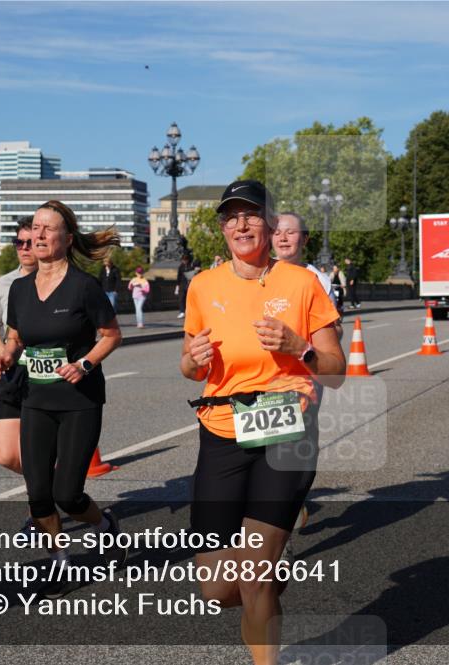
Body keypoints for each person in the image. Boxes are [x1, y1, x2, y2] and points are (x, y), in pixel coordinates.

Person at [181, 180, 345, 663]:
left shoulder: (301, 283)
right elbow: (191, 368)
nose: (241, 224)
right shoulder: (203, 286)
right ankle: (270, 575)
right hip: (221, 430)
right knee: (217, 588)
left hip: (286, 428)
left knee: (252, 577)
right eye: (231, 216)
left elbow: (335, 373)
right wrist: (191, 360)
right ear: (222, 229)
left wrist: (301, 348)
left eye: (251, 214)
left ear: (271, 224)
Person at [0, 200, 125, 599]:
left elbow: (113, 334)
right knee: (38, 492)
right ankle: (59, 561)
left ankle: (105, 528)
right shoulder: (18, 288)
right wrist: (5, 353)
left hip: (79, 400)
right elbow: (15, 336)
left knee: (68, 493)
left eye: (50, 229)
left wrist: (84, 363)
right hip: (35, 398)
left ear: (67, 239)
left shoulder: (84, 286)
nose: (40, 235)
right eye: (36, 228)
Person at [0, 216, 37, 531]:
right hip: (10, 372)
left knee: (33, 447)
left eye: (31, 242)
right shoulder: (4, 283)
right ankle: (51, 482)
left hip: (44, 375)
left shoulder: (57, 281)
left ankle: (38, 513)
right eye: (20, 242)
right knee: (6, 455)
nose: (25, 248)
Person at [273, 211, 343, 340]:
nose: (282, 238)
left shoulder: (319, 280)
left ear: (304, 239)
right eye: (276, 233)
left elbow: (336, 328)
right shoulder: (258, 273)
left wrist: (305, 344)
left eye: (290, 232)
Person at [176, 254, 191, 319]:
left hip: (189, 284)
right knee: (181, 298)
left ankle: (187, 311)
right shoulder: (181, 266)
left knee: (188, 299)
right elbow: (178, 276)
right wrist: (177, 285)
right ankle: (182, 311)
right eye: (183, 260)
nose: (184, 261)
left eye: (185, 260)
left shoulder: (190, 266)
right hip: (182, 284)